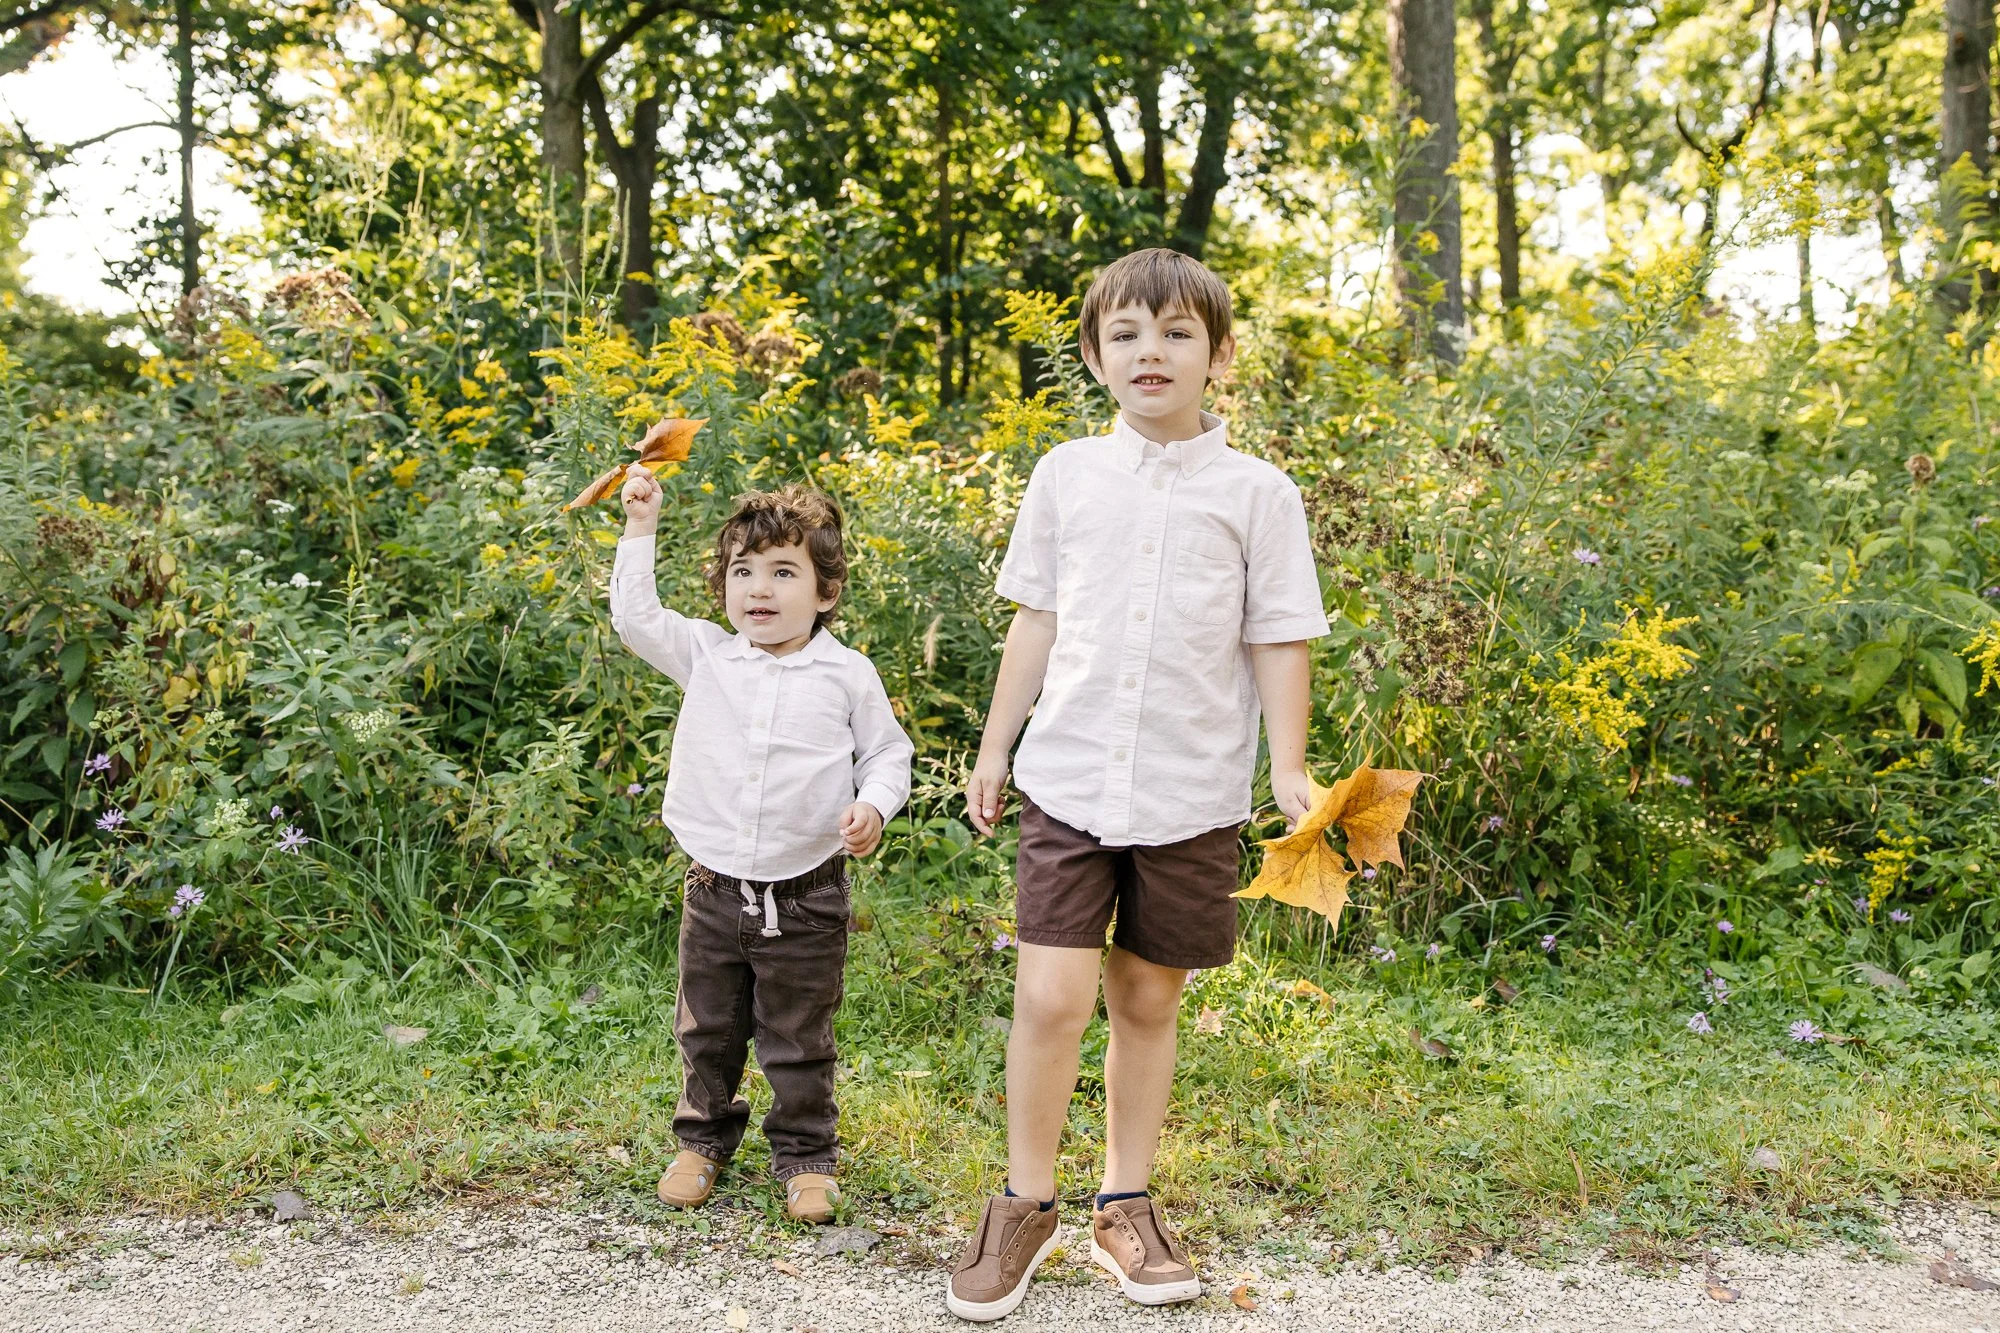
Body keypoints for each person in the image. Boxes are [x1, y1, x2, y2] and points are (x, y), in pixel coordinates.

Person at [945, 249, 1328, 1320]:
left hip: (1191, 791)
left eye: (1173, 333)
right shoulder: (1066, 475)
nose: (1148, 351)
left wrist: (1286, 766)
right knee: (1050, 994)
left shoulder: (1258, 494)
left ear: (1217, 353)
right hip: (1066, 777)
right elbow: (1036, 618)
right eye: (1125, 334)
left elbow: (1280, 635)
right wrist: (991, 745)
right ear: (1092, 355)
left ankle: (1125, 1202)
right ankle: (1025, 1203)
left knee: (1147, 997)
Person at [610, 468, 912, 1225]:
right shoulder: (710, 657)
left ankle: (807, 1155)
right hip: (712, 889)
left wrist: (872, 805)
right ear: (724, 590)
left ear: (826, 591)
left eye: (784, 571)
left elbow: (887, 755)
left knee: (798, 1034)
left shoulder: (846, 674)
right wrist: (640, 527)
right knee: (706, 1025)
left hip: (808, 895)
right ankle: (702, 1140)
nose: (760, 589)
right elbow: (636, 619)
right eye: (743, 572)